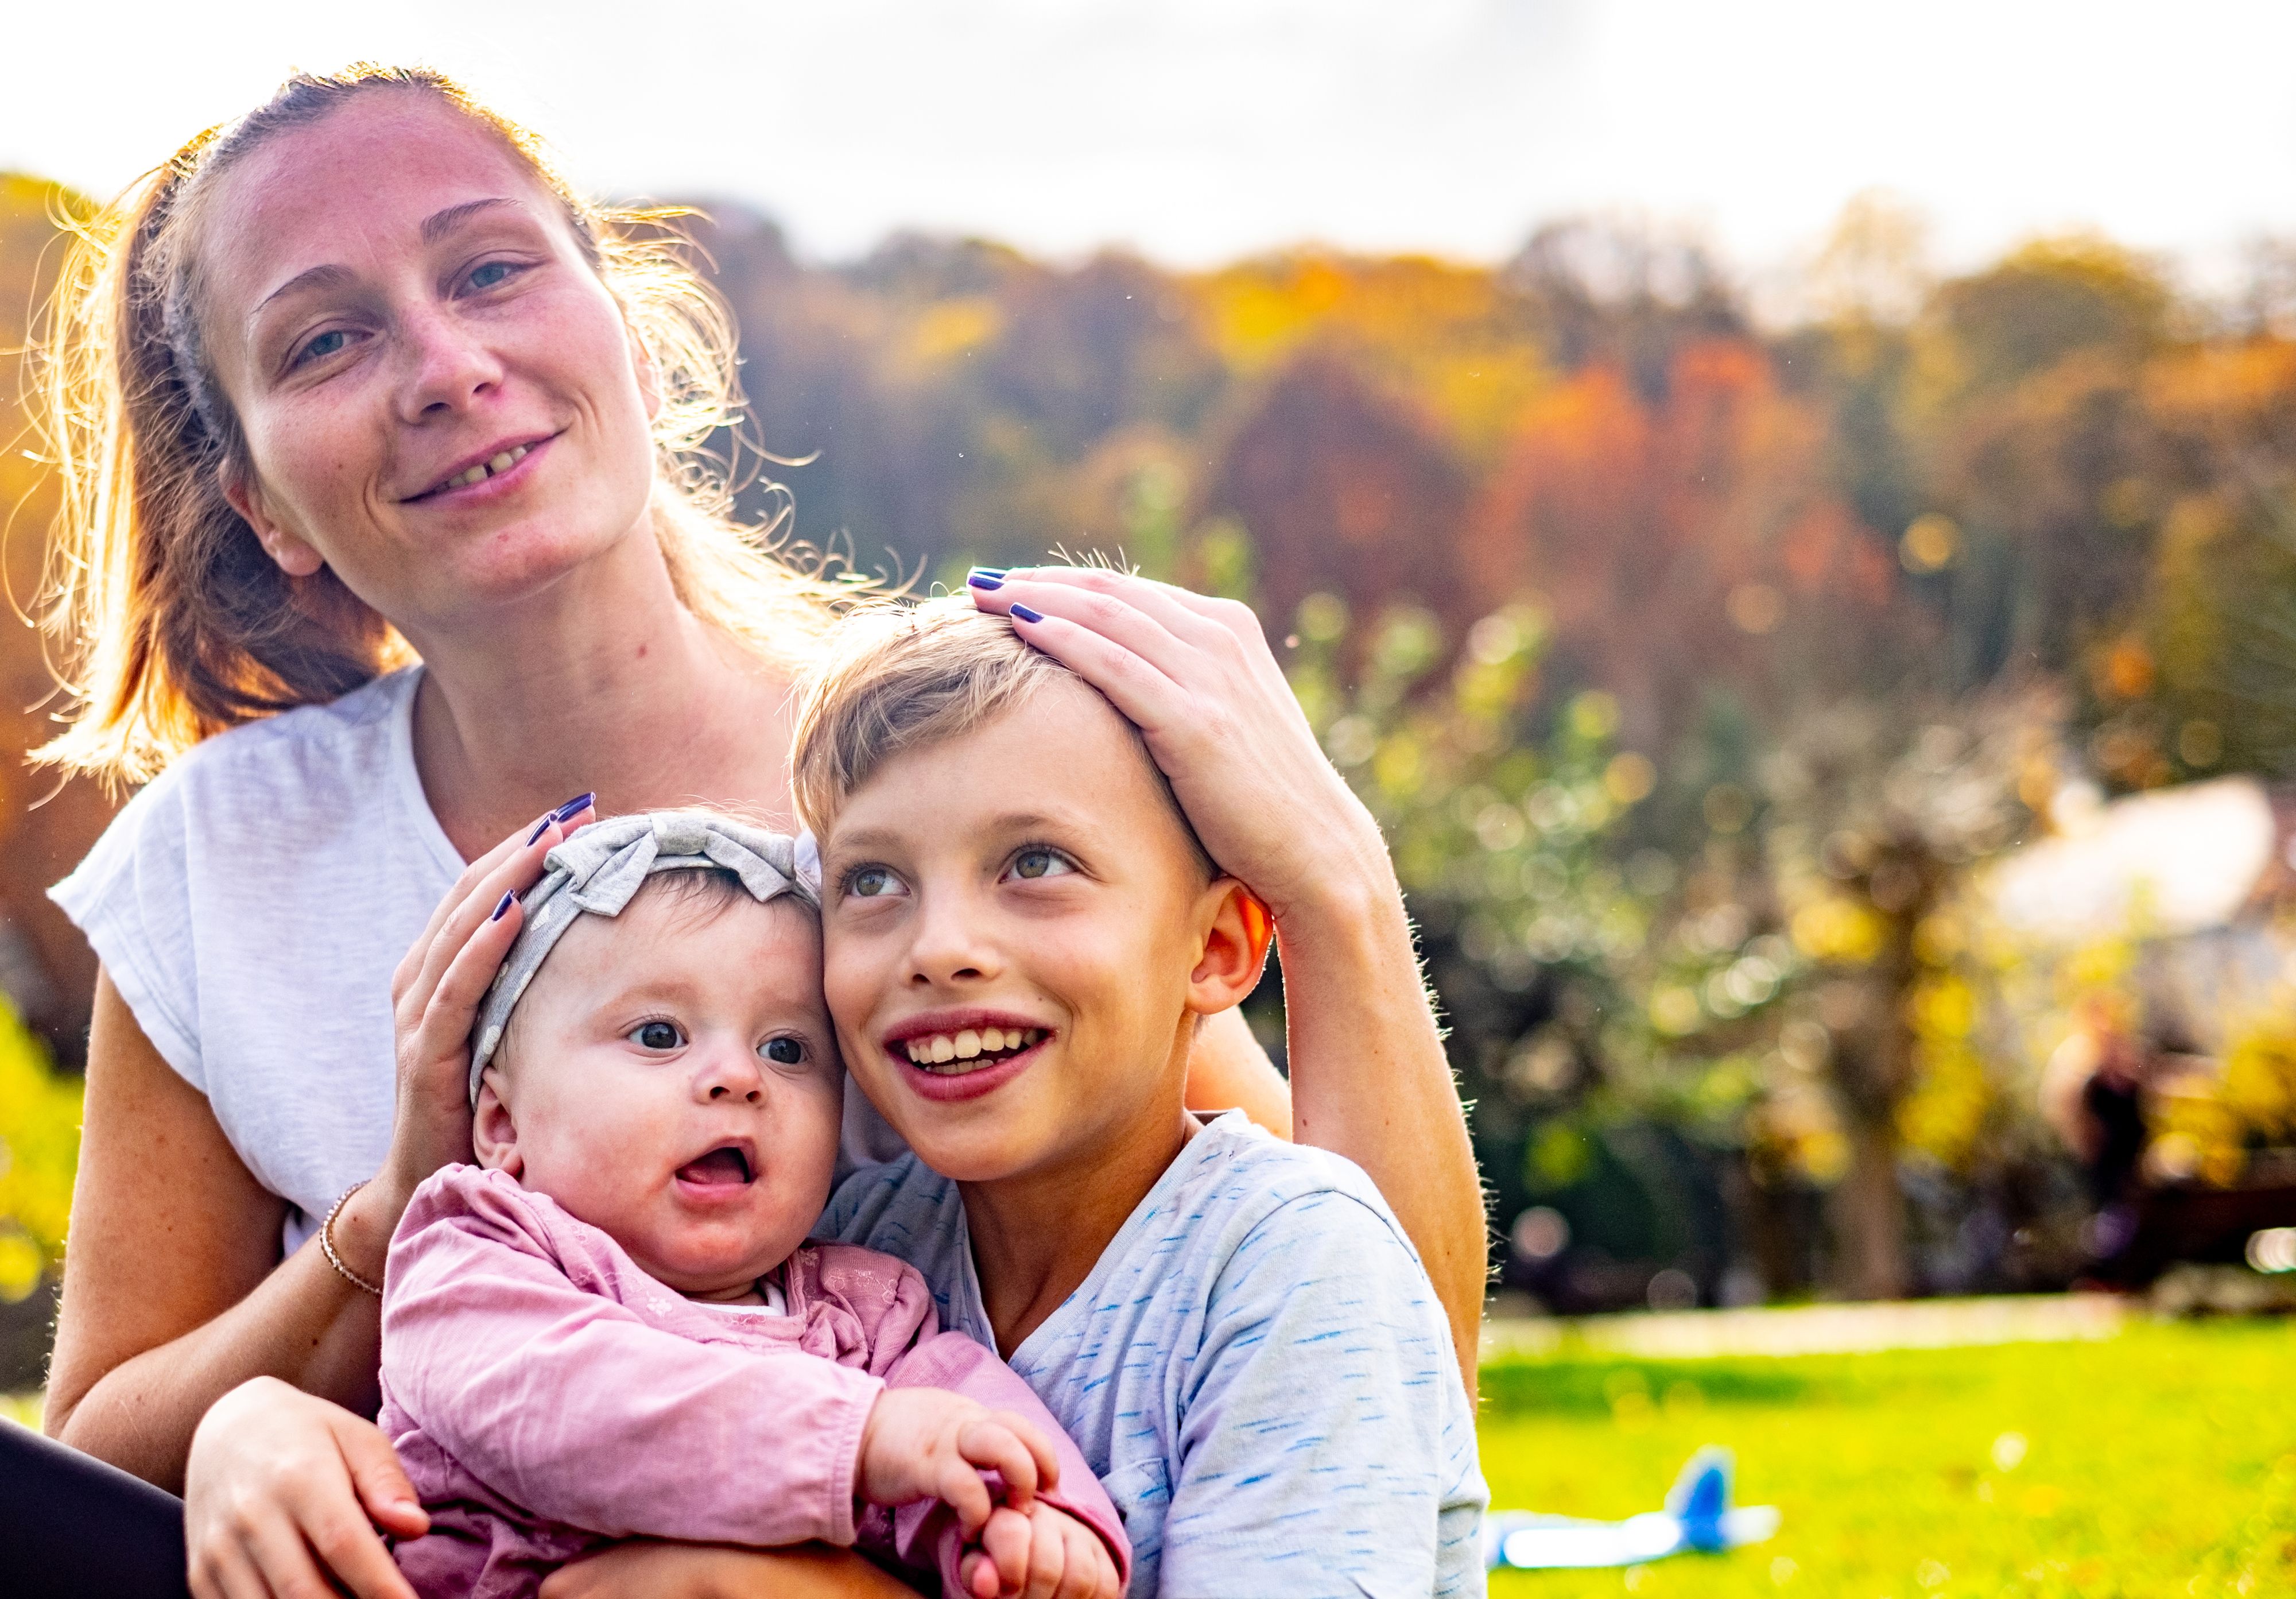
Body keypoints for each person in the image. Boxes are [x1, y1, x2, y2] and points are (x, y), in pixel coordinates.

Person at [22, 62, 1483, 1599]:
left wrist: (1335, 880)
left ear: (632, 344)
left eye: (491, 269)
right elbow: (92, 1484)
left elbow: (1360, 1365)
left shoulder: (926, 817)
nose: (446, 365)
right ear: (263, 500)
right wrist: (307, 1341)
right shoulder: (224, 858)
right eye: (326, 338)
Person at [794, 601, 1488, 1594]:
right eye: (872, 879)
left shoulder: (1293, 1261)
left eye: (1035, 863)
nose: (940, 946)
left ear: (1215, 950)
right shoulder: (852, 1248)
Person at [379, 812, 1122, 1599]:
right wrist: (860, 1438)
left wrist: (1027, 1512)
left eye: (787, 1048)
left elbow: (964, 1411)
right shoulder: (470, 1254)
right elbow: (573, 1404)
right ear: (502, 1125)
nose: (739, 1076)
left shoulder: (865, 1314)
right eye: (661, 1034)